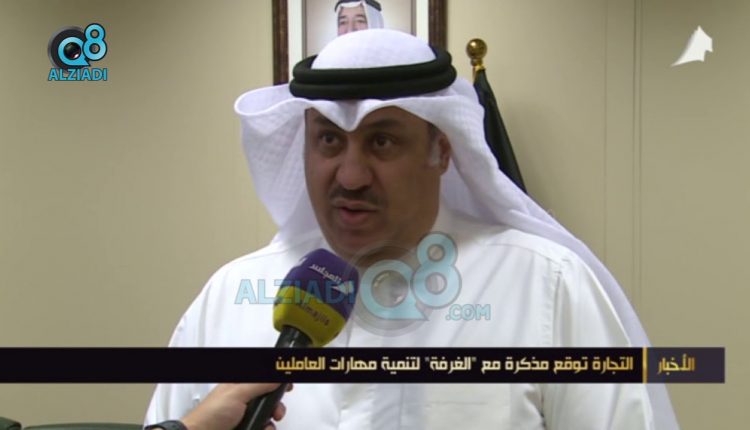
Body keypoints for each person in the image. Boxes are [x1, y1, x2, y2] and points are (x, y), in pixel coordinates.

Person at [145, 30, 679, 429]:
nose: (350, 177)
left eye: (382, 141)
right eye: (329, 140)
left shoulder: (546, 286)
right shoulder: (228, 297)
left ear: (441, 150)